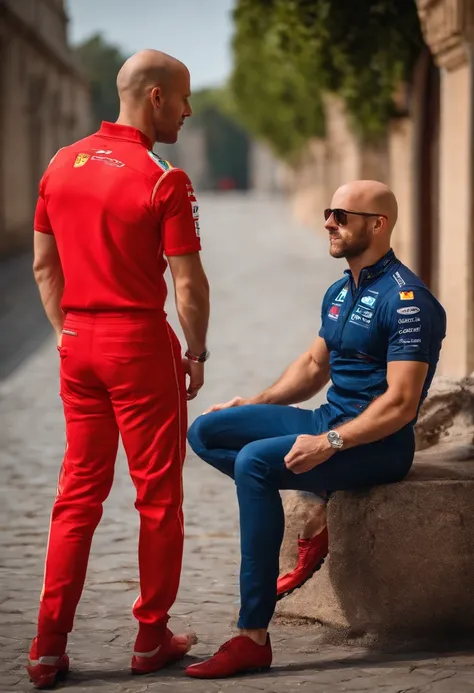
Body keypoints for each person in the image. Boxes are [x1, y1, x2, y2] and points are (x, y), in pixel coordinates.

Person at [186, 180, 446, 679]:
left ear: (378, 224)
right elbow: (313, 365)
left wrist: (330, 443)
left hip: (379, 444)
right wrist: (256, 401)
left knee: (254, 463)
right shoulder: (341, 289)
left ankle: (251, 636)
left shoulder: (408, 301)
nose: (329, 222)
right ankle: (321, 489)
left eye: (342, 215)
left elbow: (400, 403)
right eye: (329, 211)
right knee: (209, 432)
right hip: (330, 420)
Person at [27, 50, 210, 689]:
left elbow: (44, 268)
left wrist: (67, 332)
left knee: (76, 496)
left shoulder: (59, 163)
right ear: (155, 96)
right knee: (157, 496)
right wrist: (196, 350)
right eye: (183, 98)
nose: (188, 111)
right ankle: (151, 636)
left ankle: (47, 647)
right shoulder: (163, 178)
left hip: (78, 340)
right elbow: (187, 282)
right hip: (137, 345)